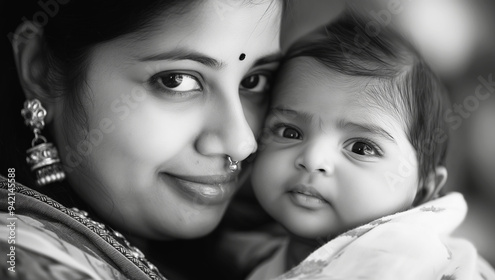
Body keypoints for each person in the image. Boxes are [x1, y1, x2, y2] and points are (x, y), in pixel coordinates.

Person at [0, 0, 285, 279]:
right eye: (176, 80)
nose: (242, 143)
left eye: (254, 81)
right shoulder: (23, 257)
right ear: (41, 71)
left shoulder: (267, 250)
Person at [247, 11, 495, 280]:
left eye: (361, 148)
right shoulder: (259, 263)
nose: (312, 158)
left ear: (424, 190)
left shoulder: (416, 260)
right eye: (290, 132)